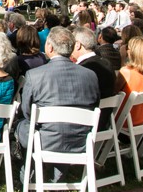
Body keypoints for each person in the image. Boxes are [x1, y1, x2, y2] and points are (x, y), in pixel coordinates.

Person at [15, 27, 100, 160]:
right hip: (80, 139)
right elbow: (94, 105)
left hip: (44, 140)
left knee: (20, 125)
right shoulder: (91, 75)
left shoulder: (34, 75)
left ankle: (26, 169)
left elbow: (27, 112)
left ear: (49, 48)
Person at [71, 27, 115, 131]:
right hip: (104, 121)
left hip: (85, 123)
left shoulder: (83, 69)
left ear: (77, 45)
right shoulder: (107, 63)